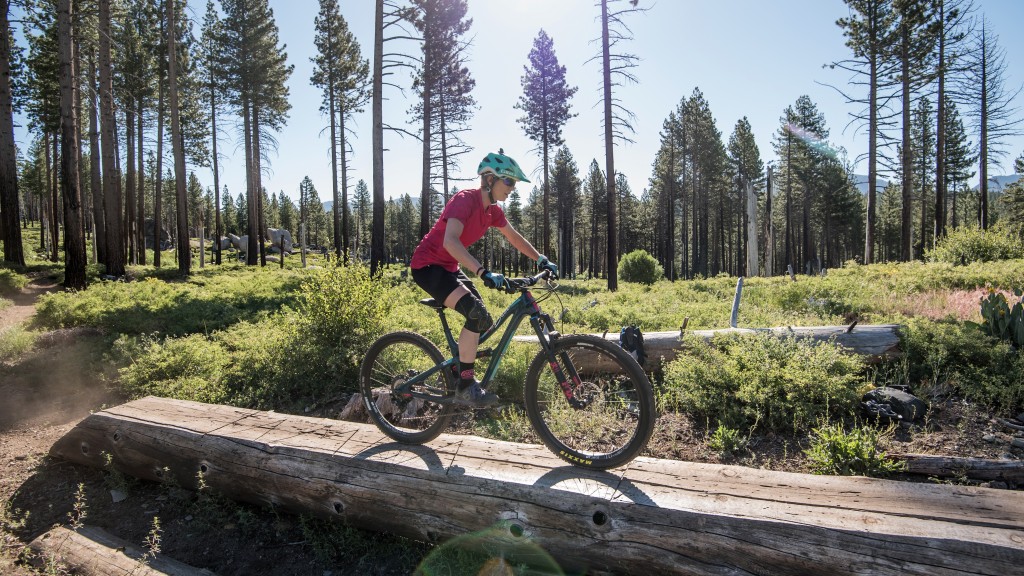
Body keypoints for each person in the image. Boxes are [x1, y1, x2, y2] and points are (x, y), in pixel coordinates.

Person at [410, 149, 558, 407]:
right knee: (475, 314)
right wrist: (482, 272)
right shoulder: (465, 200)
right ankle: (465, 385)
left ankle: (459, 370)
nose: (512, 188)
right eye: (509, 181)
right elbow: (450, 241)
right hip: (428, 266)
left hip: (449, 268)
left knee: (484, 320)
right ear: (490, 180)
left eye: (514, 183)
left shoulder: (493, 212)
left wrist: (540, 259)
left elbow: (514, 237)